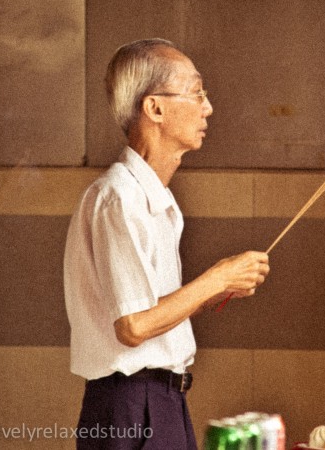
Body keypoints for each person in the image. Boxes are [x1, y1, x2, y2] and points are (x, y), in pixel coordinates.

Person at [63, 39, 271, 449]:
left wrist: (217, 292)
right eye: (197, 93)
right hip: (130, 403)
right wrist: (215, 278)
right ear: (154, 108)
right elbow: (134, 326)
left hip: (163, 399)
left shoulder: (155, 198)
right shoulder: (118, 196)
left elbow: (153, 310)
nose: (207, 108)